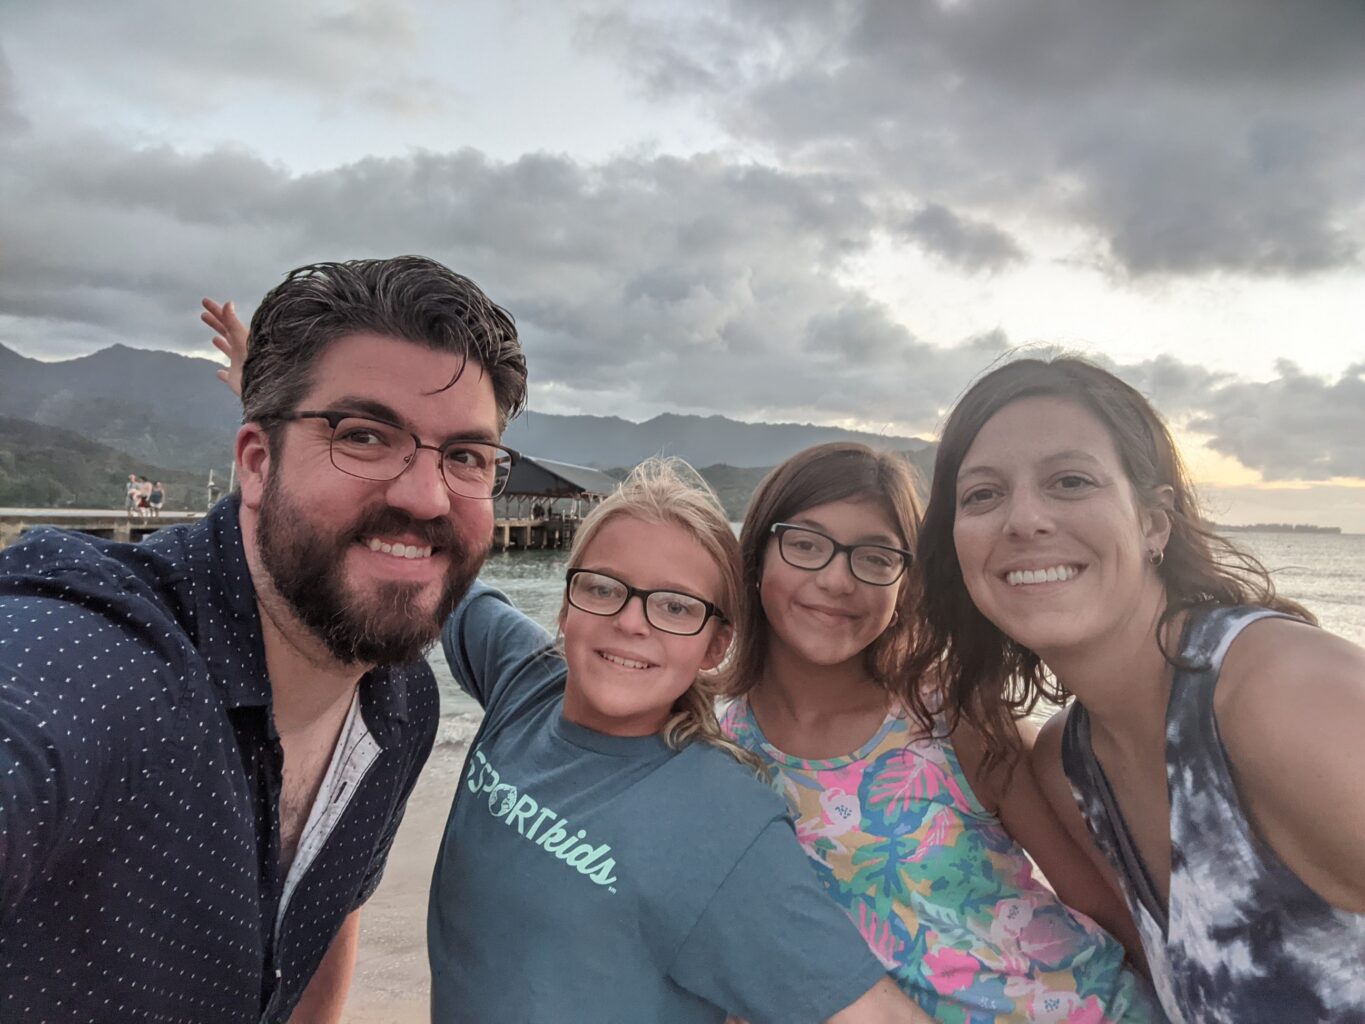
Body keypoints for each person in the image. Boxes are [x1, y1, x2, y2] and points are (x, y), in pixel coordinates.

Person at [0, 256, 528, 1023]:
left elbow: (330, 906)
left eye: (467, 457)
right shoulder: (102, 656)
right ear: (255, 461)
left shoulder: (397, 701)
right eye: (365, 436)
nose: (425, 495)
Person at [909, 357, 1365, 1024]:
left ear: (1154, 522)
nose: (1023, 519)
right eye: (981, 494)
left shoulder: (1275, 693)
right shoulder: (1069, 763)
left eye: (1069, 481)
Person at [431, 458, 932, 1023]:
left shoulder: (721, 822)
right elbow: (432, 571)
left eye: (676, 607)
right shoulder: (523, 680)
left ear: (716, 646)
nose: (632, 622)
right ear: (567, 606)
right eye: (603, 588)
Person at [720, 443, 1161, 1023]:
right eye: (805, 544)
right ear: (756, 557)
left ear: (908, 583)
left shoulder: (950, 716)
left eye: (875, 557)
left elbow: (1100, 903)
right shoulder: (719, 747)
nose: (835, 579)